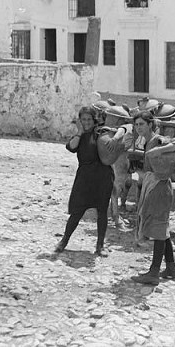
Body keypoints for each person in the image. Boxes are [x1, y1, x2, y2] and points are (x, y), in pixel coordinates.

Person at [55, 106, 114, 256]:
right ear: (80, 122)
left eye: (89, 119)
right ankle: (64, 241)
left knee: (102, 212)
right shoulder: (79, 137)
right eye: (83, 120)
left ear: (94, 120)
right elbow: (71, 147)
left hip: (102, 178)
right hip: (84, 178)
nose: (86, 122)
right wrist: (80, 131)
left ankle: (100, 245)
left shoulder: (101, 133)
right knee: (77, 211)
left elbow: (111, 146)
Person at [131, 111, 175, 285]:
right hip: (154, 185)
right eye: (136, 125)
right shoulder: (146, 141)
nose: (138, 128)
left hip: (159, 187)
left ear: (150, 124)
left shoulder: (157, 140)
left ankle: (154, 272)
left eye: (141, 124)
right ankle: (171, 268)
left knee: (158, 229)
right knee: (162, 228)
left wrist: (159, 149)